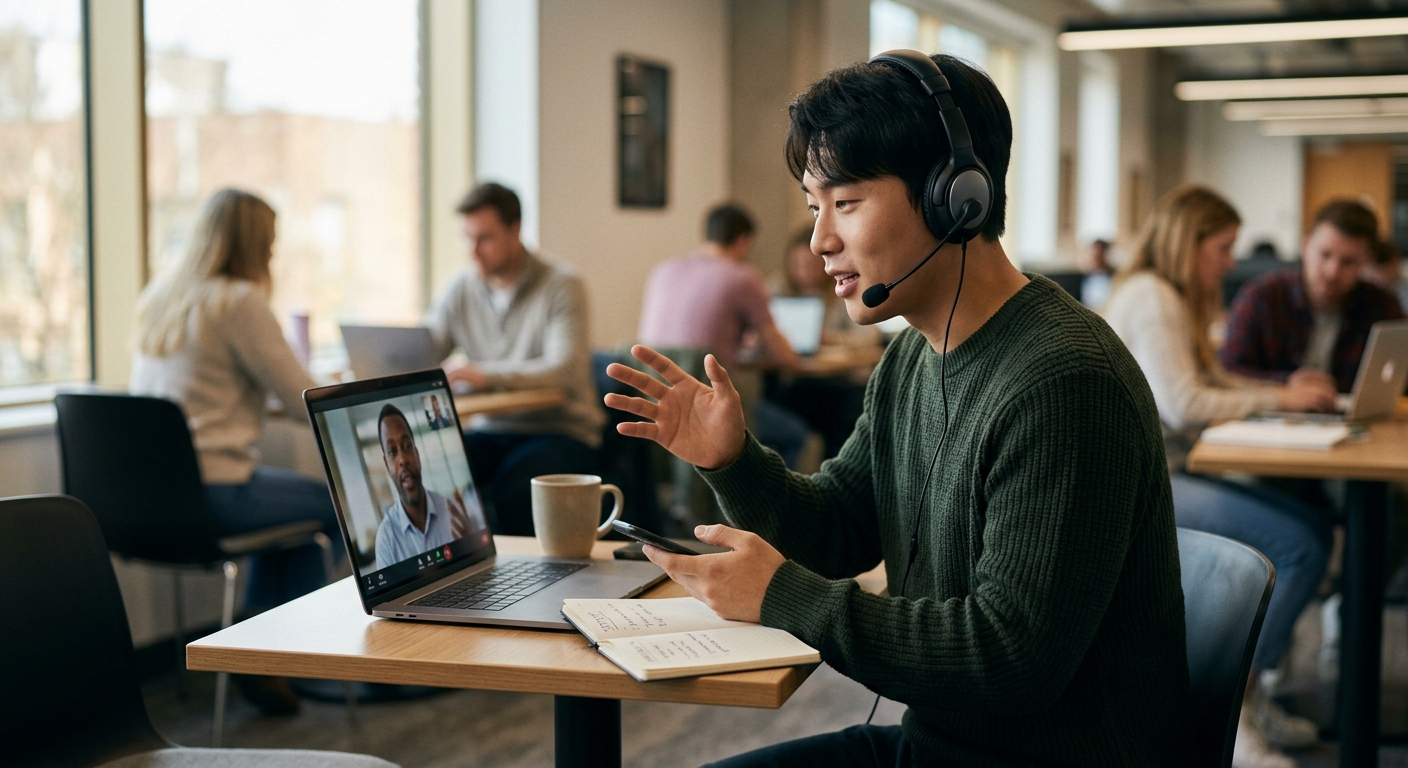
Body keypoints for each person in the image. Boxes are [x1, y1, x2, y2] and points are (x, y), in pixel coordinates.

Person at [606, 52, 1191, 766]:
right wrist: (734, 462)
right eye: (814, 208)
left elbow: (1011, 658)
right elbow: (844, 530)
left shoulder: (1064, 381)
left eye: (845, 203)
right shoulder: (915, 354)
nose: (821, 241)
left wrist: (784, 597)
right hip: (942, 747)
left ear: (956, 197)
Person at [1102, 185, 1337, 768]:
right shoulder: (1153, 296)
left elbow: (1211, 378)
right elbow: (1183, 403)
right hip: (1136, 490)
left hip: (1164, 473)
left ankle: (1246, 703)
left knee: (1310, 527)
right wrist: (1279, 396)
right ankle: (1234, 718)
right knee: (1300, 545)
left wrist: (1285, 394)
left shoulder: (1165, 294)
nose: (1231, 263)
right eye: (1223, 248)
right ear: (1190, 242)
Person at [130, 188, 342, 715]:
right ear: (255, 245)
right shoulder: (239, 302)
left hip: (142, 502)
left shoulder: (162, 299)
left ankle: (261, 647)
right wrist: (335, 386)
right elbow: (302, 401)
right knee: (332, 507)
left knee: (294, 532)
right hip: (214, 492)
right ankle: (274, 652)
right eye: (268, 244)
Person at [423, 182, 604, 536]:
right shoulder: (461, 287)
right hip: (492, 428)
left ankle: (520, 587)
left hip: (560, 429)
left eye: (484, 239)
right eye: (466, 238)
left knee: (516, 485)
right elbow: (427, 348)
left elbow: (565, 370)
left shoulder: (562, 285)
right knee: (433, 473)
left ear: (515, 230)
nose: (472, 251)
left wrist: (483, 375)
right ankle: (457, 583)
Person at [638, 204, 811, 468]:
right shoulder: (743, 277)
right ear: (744, 241)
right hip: (707, 412)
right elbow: (785, 358)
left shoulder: (663, 270)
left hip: (655, 409)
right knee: (795, 436)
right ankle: (764, 506)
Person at [1222, 200, 1405, 393]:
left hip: (1351, 416)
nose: (1332, 272)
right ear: (1306, 245)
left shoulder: (1381, 304)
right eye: (1325, 255)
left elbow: (1401, 374)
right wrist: (1287, 382)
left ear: (1366, 261)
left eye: (1348, 262)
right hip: (1275, 413)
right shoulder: (1262, 297)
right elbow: (1227, 372)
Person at [767, 223, 874, 457]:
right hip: (800, 379)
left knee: (843, 411)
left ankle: (835, 472)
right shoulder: (779, 288)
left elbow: (869, 336)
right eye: (797, 264)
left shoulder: (843, 289)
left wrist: (830, 339)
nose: (803, 271)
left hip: (840, 381)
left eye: (810, 264)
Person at [373, 404, 481, 570]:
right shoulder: (386, 539)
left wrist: (473, 548)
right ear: (386, 465)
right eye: (392, 451)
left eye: (407, 446)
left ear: (417, 454)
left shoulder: (454, 515)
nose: (403, 459)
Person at [1080, 238, 1113, 309]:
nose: (1095, 260)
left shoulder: (1116, 278)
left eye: (1098, 256)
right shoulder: (1080, 279)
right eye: (1093, 256)